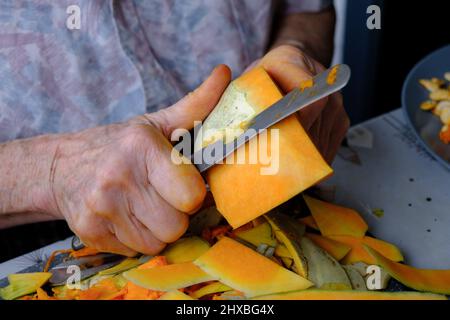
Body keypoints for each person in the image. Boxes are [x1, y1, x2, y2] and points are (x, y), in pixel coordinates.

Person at [0, 1, 349, 257]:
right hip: (41, 236)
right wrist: (52, 171)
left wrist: (295, 52)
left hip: (266, 190)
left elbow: (307, 10)